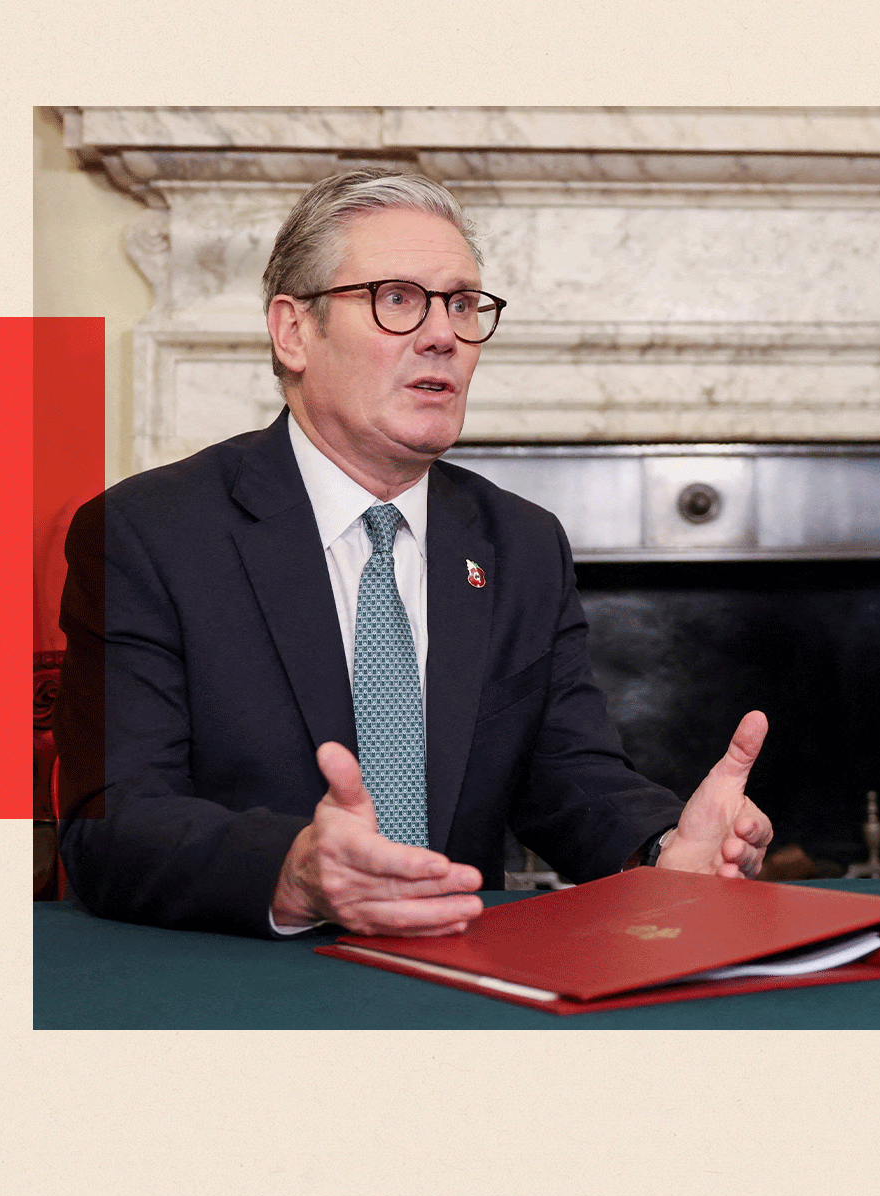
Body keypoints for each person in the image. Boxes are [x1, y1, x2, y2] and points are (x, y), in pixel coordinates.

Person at [56, 168, 773, 939]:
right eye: (397, 299)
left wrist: (664, 848)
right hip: (246, 986)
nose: (442, 335)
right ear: (293, 331)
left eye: (462, 305)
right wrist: (292, 871)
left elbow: (567, 776)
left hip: (463, 977)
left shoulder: (521, 543)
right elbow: (115, 821)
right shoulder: (150, 533)